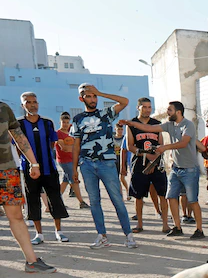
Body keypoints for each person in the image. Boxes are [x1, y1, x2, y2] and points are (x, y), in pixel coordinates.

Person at [122, 101, 205, 240]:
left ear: (178, 112)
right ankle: (177, 227)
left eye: (170, 110)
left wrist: (165, 148)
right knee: (170, 197)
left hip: (190, 169)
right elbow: (148, 128)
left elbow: (183, 143)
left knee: (192, 200)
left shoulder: (188, 125)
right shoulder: (169, 125)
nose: (167, 112)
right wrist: (131, 124)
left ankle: (199, 229)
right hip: (176, 169)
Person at [70, 83, 137, 249]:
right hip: (86, 164)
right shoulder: (78, 119)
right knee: (94, 202)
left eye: (94, 96)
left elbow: (124, 101)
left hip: (106, 163)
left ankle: (128, 235)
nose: (93, 99)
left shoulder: (106, 114)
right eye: (89, 96)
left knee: (117, 200)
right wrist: (74, 169)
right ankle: (102, 236)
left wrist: (100, 92)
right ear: (81, 98)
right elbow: (76, 144)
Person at [0, 101, 56, 272]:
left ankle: (32, 262)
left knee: (16, 216)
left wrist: (34, 163)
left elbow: (18, 136)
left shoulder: (3, 108)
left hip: (6, 170)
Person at [16, 93, 70, 244]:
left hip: (49, 169)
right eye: (28, 102)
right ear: (23, 105)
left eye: (35, 102)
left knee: (55, 199)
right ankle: (39, 234)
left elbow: (52, 144)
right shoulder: (18, 124)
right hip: (29, 170)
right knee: (32, 199)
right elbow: (18, 147)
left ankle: (59, 231)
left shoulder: (47, 123)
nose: (33, 105)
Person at [122, 98, 169, 234]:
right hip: (139, 163)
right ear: (138, 108)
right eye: (145, 107)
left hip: (157, 162)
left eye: (149, 107)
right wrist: (145, 155)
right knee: (138, 195)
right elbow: (130, 145)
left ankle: (165, 224)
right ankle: (140, 224)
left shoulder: (157, 124)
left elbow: (161, 143)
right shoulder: (132, 124)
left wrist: (155, 158)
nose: (147, 109)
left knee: (162, 193)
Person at [55, 111, 87, 208]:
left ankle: (56, 201)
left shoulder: (71, 132)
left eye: (67, 122)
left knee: (65, 181)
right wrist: (76, 147)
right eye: (63, 122)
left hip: (72, 160)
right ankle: (81, 202)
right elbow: (64, 148)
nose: (65, 124)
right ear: (60, 122)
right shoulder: (58, 133)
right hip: (64, 160)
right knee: (74, 180)